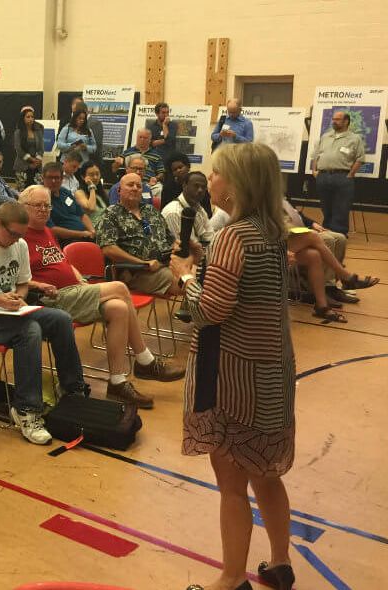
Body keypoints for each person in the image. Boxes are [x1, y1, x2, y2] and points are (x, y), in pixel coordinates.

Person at [172, 143, 294, 590]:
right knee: (267, 474)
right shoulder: (272, 232)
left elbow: (210, 312)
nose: (211, 181)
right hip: (272, 371)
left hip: (232, 376)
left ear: (236, 182)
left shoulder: (233, 236)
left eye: (217, 173)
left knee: (231, 483)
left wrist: (185, 277)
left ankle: (230, 579)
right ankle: (280, 564)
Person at [20, 186, 182, 408]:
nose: (43, 210)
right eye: (37, 205)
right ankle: (145, 360)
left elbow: (62, 262)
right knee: (119, 288)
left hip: (75, 291)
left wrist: (79, 278)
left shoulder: (46, 231)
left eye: (47, 205)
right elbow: (16, 279)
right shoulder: (19, 236)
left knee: (119, 308)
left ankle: (117, 382)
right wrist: (39, 284)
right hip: (50, 298)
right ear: (23, 207)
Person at [0, 201, 90, 444]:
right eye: (13, 233)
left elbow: (24, 282)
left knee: (60, 319)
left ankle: (72, 389)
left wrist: (20, 297)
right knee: (30, 331)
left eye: (21, 235)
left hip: (8, 311)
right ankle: (27, 410)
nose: (17, 240)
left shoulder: (20, 244)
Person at [96, 173, 181, 296]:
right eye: (130, 185)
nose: (135, 188)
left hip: (165, 263)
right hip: (136, 272)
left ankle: (191, 310)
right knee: (184, 281)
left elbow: (169, 238)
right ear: (119, 190)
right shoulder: (110, 215)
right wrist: (142, 263)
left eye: (139, 186)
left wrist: (177, 247)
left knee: (194, 270)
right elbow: (109, 249)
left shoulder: (150, 210)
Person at [310, 110, 365, 236]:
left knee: (341, 206)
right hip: (323, 176)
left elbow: (360, 159)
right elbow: (316, 155)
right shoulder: (325, 136)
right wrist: (314, 171)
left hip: (342, 177)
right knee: (325, 205)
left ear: (346, 121)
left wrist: (350, 174)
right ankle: (327, 230)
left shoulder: (354, 138)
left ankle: (339, 233)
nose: (334, 121)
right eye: (333, 119)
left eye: (337, 119)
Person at [40, 162, 95, 247]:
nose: (53, 181)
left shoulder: (65, 192)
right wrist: (81, 234)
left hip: (84, 236)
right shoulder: (40, 198)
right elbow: (51, 230)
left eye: (57, 178)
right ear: (43, 178)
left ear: (62, 179)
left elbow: (82, 214)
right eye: (50, 177)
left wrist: (92, 231)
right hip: (65, 241)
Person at [162, 171, 214, 246]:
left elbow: (210, 237)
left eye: (203, 187)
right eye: (196, 186)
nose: (200, 190)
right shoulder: (174, 212)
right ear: (184, 185)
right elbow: (187, 246)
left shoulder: (198, 208)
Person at [113, 128, 165, 193]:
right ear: (137, 138)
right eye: (140, 137)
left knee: (159, 189)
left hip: (149, 184)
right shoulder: (127, 152)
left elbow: (162, 173)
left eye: (145, 138)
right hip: (130, 183)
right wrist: (117, 164)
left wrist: (156, 178)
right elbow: (114, 169)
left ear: (150, 140)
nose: (142, 140)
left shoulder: (156, 155)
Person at [13, 106, 46, 189]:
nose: (31, 119)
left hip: (37, 166)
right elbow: (19, 150)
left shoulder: (38, 131)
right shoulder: (18, 132)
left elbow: (41, 148)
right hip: (22, 166)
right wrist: (31, 160)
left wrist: (37, 161)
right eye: (28, 117)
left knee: (37, 191)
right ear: (23, 118)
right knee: (23, 192)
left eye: (32, 117)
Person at [69, 96, 106, 164]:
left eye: (75, 112)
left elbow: (96, 145)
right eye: (73, 112)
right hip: (77, 162)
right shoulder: (72, 124)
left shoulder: (95, 124)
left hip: (91, 163)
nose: (73, 115)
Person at [74, 161, 106, 228]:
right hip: (91, 231)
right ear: (83, 177)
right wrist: (91, 187)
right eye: (91, 175)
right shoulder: (79, 193)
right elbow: (91, 208)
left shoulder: (101, 192)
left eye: (97, 174)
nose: (95, 177)